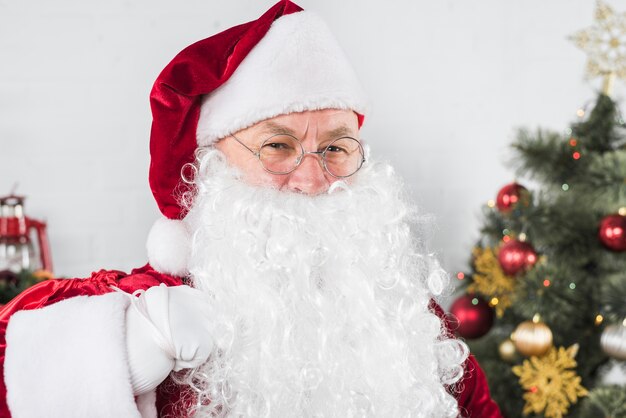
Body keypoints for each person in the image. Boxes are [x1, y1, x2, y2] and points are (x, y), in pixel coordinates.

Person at [0, 1, 502, 417]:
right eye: (277, 147)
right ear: (209, 166)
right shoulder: (155, 310)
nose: (310, 181)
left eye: (335, 148)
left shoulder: (404, 321)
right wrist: (115, 357)